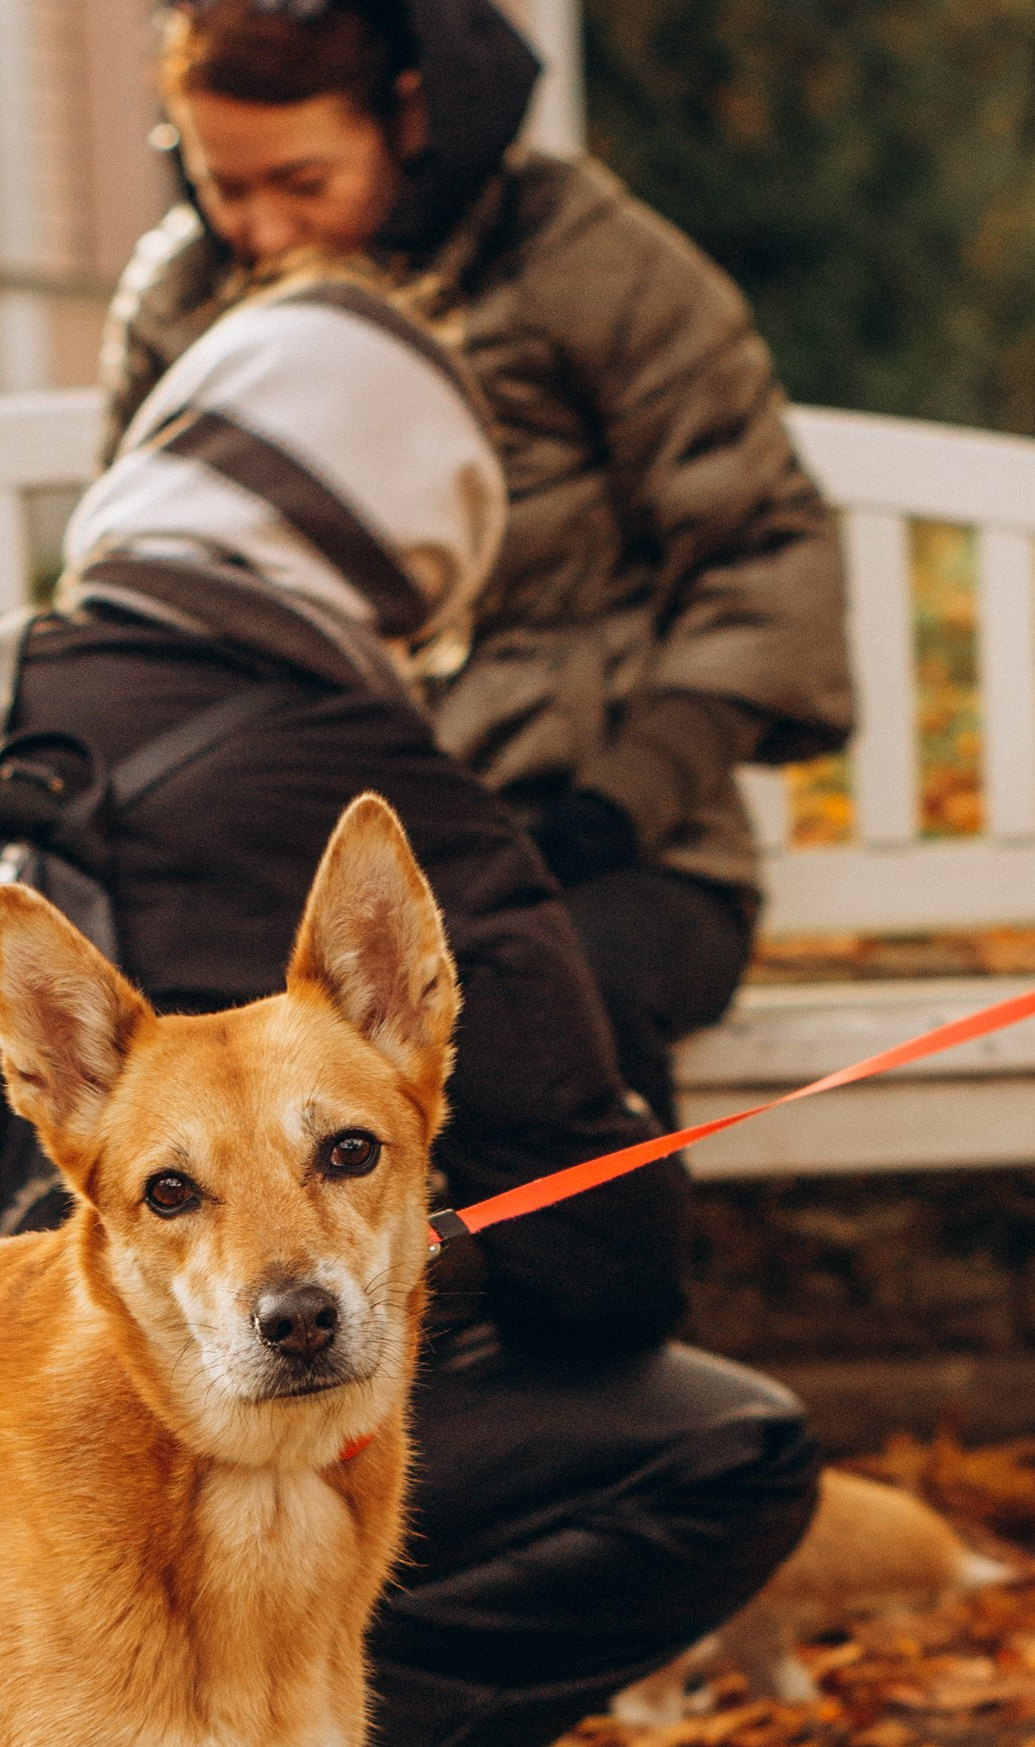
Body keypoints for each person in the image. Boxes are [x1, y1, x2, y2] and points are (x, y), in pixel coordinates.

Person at [0, 274, 818, 1747]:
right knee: (731, 1447)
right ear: (398, 550)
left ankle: (56, 1742)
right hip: (150, 1395)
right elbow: (615, 1268)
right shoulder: (375, 776)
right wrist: (397, 1188)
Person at [100, 0, 855, 1129]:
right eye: (222, 185)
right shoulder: (182, 298)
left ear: (408, 119)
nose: (262, 231)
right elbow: (145, 583)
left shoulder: (583, 259)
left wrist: (616, 804)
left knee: (531, 1006)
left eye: (303, 184)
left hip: (607, 848)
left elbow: (761, 551)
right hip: (304, 862)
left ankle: (577, 1303)